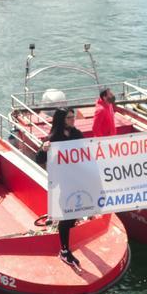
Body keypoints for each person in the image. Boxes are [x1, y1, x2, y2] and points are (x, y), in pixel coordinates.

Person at [47, 108, 84, 268]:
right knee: (67, 214)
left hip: (78, 179)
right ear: (62, 120)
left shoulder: (77, 134)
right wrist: (44, 149)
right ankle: (64, 251)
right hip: (63, 181)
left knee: (75, 213)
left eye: (73, 117)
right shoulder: (54, 138)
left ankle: (66, 231)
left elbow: (87, 151)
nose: (73, 120)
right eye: (69, 118)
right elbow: (39, 157)